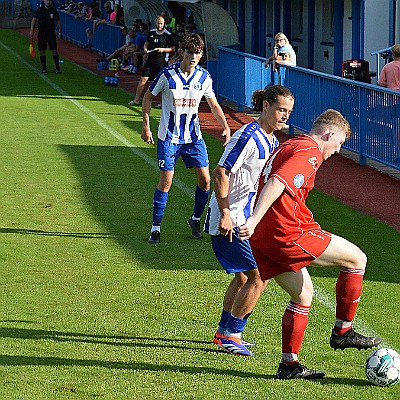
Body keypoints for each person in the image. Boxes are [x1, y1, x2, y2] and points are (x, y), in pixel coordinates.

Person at [239, 109, 382, 379]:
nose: (338, 151)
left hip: (265, 240)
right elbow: (277, 182)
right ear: (329, 134)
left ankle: (289, 365)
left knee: (303, 295)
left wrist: (257, 222)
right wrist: (255, 218)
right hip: (287, 232)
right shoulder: (310, 151)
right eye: (339, 143)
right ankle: (343, 331)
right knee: (357, 259)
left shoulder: (291, 143)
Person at [205, 85, 294, 356]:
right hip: (229, 217)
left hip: (244, 219)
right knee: (260, 275)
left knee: (244, 277)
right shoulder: (247, 137)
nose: (284, 116)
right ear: (265, 106)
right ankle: (232, 334)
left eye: (288, 112)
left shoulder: (272, 141)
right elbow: (221, 173)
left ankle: (223, 332)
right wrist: (227, 213)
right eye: (280, 109)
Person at [141, 34, 231, 244]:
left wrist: (225, 126)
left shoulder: (204, 78)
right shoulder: (167, 75)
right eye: (190, 52)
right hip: (169, 138)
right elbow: (148, 96)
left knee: (206, 180)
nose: (193, 56)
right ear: (183, 52)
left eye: (197, 53)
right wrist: (146, 126)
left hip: (193, 138)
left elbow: (214, 104)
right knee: (167, 181)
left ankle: (195, 219)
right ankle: (155, 228)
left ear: (201, 55)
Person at [129, 15, 175, 105]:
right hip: (150, 60)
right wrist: (145, 49)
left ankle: (163, 103)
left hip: (161, 61)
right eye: (158, 23)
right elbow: (146, 44)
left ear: (164, 24)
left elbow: (173, 48)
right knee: (143, 79)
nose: (159, 25)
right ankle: (136, 100)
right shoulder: (151, 33)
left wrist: (163, 50)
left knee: (163, 82)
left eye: (161, 24)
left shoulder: (168, 35)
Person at [29, 0, 62, 74]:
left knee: (54, 49)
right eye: (47, 0)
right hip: (42, 33)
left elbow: (58, 21)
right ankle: (44, 67)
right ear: (43, 1)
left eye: (49, 0)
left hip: (51, 33)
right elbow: (34, 20)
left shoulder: (54, 11)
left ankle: (57, 67)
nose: (48, 2)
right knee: (42, 50)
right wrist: (32, 30)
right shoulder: (40, 10)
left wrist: (59, 32)